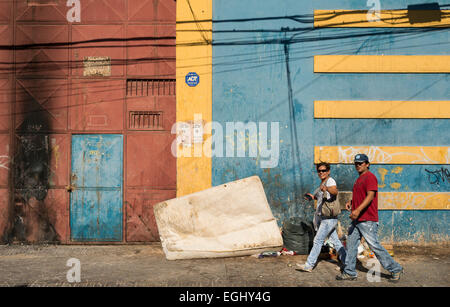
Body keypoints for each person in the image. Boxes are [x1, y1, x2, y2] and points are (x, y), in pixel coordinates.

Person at [336, 154, 404, 282]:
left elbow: (370, 196)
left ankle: (396, 268)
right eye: (356, 163)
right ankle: (350, 271)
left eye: (361, 163)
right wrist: (351, 202)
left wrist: (357, 210)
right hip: (358, 219)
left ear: (367, 164)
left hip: (367, 219)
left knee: (374, 246)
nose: (358, 165)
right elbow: (361, 195)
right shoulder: (360, 178)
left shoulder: (370, 177)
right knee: (351, 244)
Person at [296, 162, 346, 272]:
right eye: (319, 171)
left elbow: (335, 191)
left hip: (328, 218)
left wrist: (327, 189)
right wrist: (312, 197)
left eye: (324, 170)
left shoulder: (330, 181)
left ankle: (309, 265)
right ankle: (347, 263)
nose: (321, 172)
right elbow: (320, 198)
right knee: (336, 242)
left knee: (318, 241)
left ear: (328, 171)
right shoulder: (322, 183)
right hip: (326, 218)